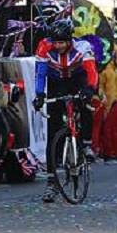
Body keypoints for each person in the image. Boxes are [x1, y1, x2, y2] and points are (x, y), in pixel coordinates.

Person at [33, 18, 98, 203]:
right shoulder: (44, 46)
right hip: (56, 82)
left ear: (70, 40)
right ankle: (52, 182)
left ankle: (86, 143)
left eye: (62, 42)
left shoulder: (83, 47)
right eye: (55, 42)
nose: (58, 45)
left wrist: (90, 89)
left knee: (86, 105)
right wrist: (39, 94)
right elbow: (40, 73)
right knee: (53, 130)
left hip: (78, 79)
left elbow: (92, 71)